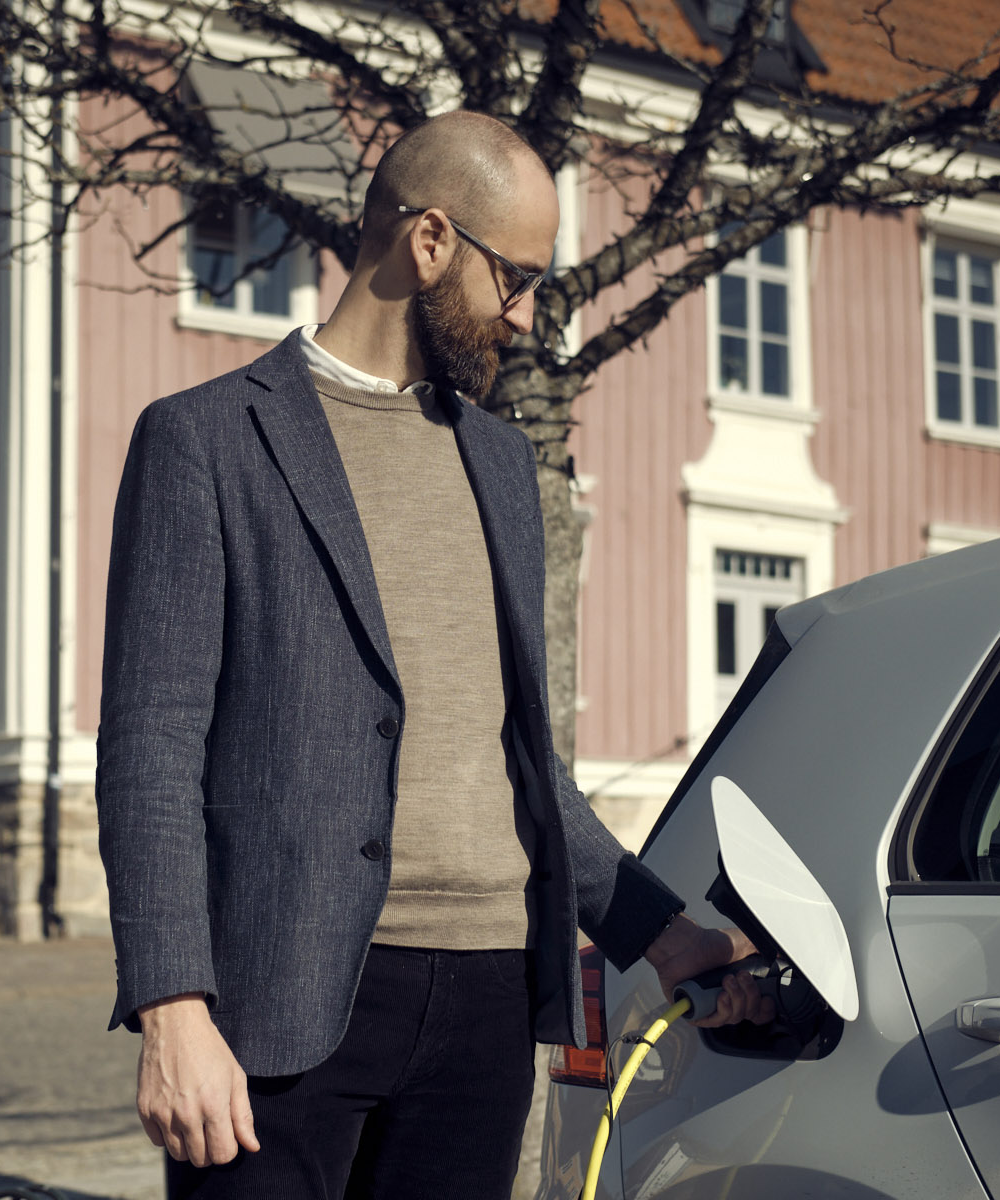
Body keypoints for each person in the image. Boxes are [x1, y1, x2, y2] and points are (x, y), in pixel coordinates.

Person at [95, 110, 767, 1199]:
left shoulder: (501, 465)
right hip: (282, 1003)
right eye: (518, 279)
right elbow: (151, 746)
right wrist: (171, 1010)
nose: (527, 315)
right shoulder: (205, 440)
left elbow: (522, 762)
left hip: (487, 1007)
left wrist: (661, 934)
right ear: (430, 242)